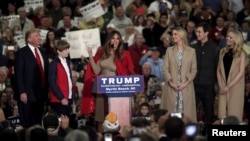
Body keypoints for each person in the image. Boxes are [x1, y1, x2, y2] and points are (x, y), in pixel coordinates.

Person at [80, 30, 134, 133]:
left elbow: (128, 71)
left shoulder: (123, 54)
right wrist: (90, 56)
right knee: (100, 114)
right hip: (101, 87)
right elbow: (96, 70)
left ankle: (116, 134)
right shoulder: (102, 52)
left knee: (113, 113)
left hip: (115, 88)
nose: (115, 40)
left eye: (118, 38)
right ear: (109, 39)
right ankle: (100, 135)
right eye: (113, 38)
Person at [14, 29, 49, 128]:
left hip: (41, 94)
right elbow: (19, 74)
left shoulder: (43, 51)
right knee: (27, 123)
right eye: (36, 36)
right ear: (29, 39)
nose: (39, 37)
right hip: (27, 94)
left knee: (38, 121)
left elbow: (45, 72)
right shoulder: (22, 53)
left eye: (39, 35)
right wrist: (22, 92)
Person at [162, 27, 197, 122]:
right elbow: (165, 68)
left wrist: (185, 84)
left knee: (186, 117)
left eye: (175, 34)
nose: (173, 36)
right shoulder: (169, 50)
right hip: (171, 87)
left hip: (186, 87)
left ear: (181, 35)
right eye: (173, 34)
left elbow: (193, 70)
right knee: (171, 116)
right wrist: (171, 82)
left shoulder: (191, 51)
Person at [191, 22, 220, 125]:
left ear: (206, 33)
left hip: (208, 87)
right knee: (190, 113)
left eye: (199, 32)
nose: (197, 34)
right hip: (194, 86)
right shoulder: (193, 48)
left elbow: (218, 68)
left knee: (209, 114)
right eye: (196, 32)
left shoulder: (215, 48)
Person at [216, 29, 246, 122]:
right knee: (222, 115)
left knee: (234, 115)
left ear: (236, 39)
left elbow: (241, 73)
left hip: (235, 87)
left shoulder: (241, 53)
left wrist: (228, 87)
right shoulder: (222, 51)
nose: (227, 38)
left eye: (230, 37)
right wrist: (221, 85)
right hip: (223, 87)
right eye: (227, 36)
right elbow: (218, 70)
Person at [48, 40, 73, 117]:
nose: (68, 51)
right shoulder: (53, 64)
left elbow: (69, 81)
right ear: (58, 51)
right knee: (60, 124)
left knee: (67, 123)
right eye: (65, 49)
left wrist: (71, 99)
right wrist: (61, 98)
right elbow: (52, 83)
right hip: (58, 100)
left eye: (68, 49)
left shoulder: (67, 62)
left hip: (68, 98)